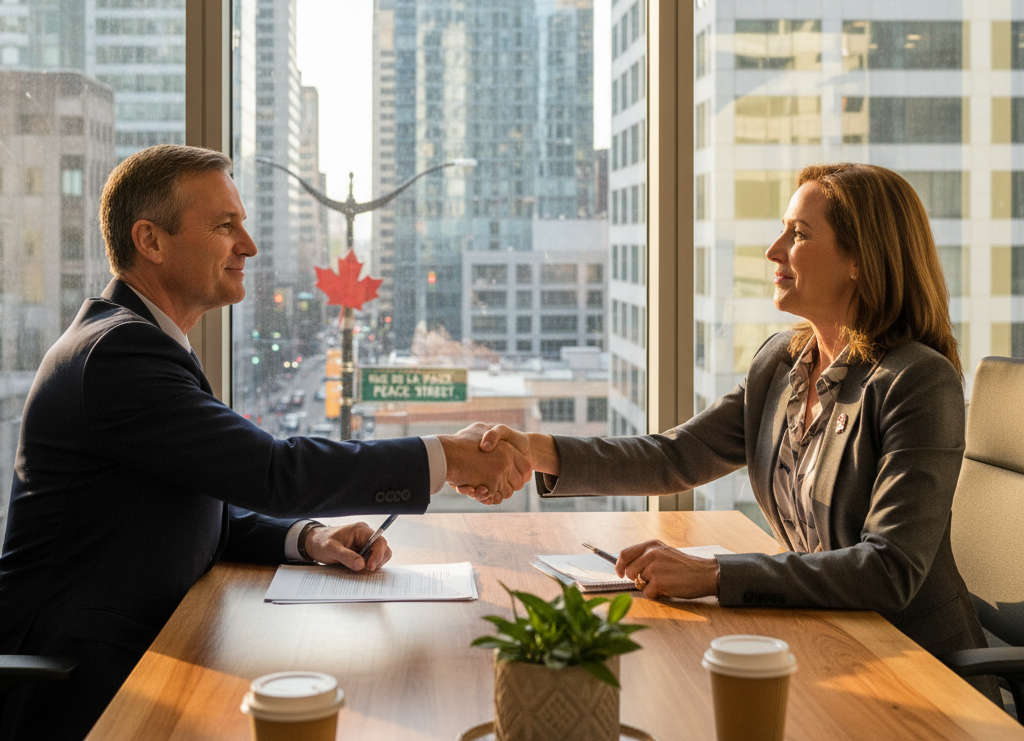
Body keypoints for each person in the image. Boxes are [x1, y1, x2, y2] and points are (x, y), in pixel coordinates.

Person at [0, 144, 530, 741]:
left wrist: (309, 538)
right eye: (225, 226)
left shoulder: (139, 341)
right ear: (150, 240)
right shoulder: (117, 354)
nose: (248, 246)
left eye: (244, 224)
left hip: (154, 654)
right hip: (86, 689)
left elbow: (200, 511)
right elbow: (272, 471)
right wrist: (445, 456)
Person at [472, 163, 994, 668]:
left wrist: (713, 575)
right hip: (825, 638)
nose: (774, 251)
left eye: (799, 234)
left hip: (918, 662)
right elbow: (674, 456)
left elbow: (889, 569)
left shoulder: (917, 383)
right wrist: (531, 448)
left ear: (861, 259)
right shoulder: (782, 365)